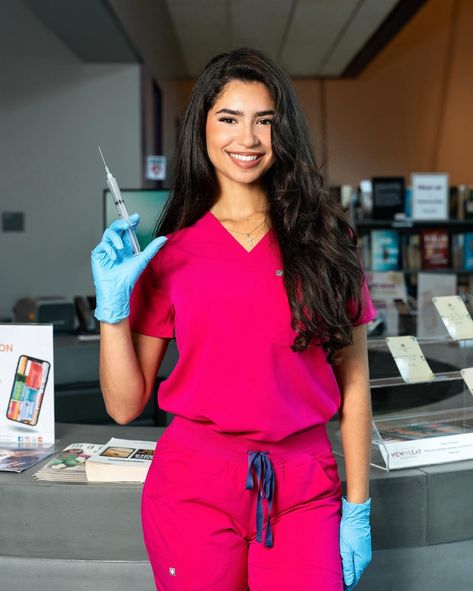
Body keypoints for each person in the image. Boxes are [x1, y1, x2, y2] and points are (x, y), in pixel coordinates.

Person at [91, 47, 376, 591]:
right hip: (193, 485)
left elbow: (356, 385)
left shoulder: (326, 240)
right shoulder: (168, 251)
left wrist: (358, 507)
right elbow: (125, 406)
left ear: (282, 130)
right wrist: (112, 310)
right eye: (229, 118)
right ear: (201, 127)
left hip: (304, 486)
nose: (247, 138)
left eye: (264, 121)